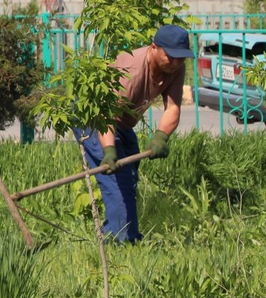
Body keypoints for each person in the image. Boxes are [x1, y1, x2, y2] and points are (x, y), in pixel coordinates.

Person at [76, 23, 190, 243]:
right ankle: (119, 242)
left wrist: (161, 136)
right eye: (170, 56)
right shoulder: (132, 71)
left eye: (181, 58)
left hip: (122, 122)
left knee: (129, 176)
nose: (175, 63)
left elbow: (173, 107)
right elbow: (104, 116)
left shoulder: (175, 67)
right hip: (94, 117)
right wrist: (108, 151)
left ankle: (129, 237)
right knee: (116, 180)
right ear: (154, 47)